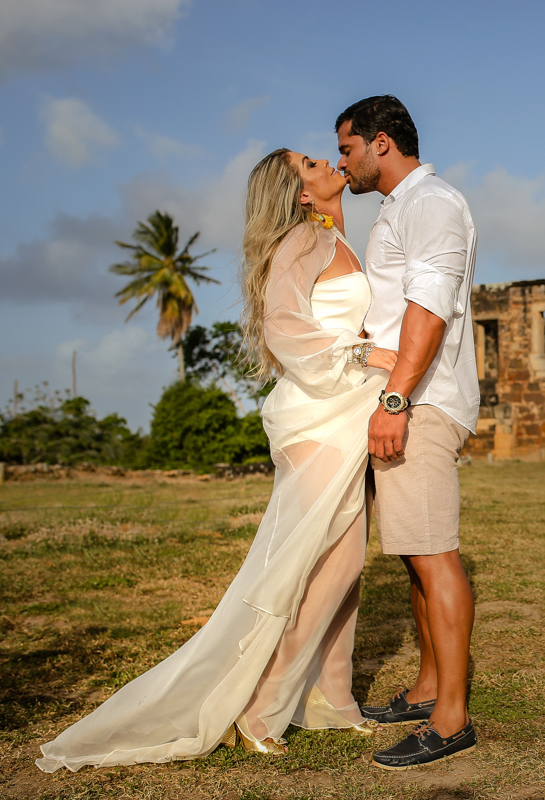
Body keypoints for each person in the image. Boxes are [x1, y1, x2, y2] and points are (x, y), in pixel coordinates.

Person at [36, 148, 395, 772]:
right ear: (301, 194)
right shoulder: (303, 241)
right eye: (312, 164)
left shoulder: (336, 238)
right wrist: (366, 358)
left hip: (342, 410)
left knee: (346, 564)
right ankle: (259, 707)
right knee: (323, 566)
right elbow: (285, 329)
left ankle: (333, 699)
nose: (328, 162)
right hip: (317, 415)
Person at [335, 95, 481, 771]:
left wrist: (395, 400)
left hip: (421, 401)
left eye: (347, 149)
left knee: (434, 553)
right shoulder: (399, 209)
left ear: (382, 143)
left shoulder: (431, 203)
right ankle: (427, 689)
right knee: (413, 554)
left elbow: (430, 305)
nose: (344, 163)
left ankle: (451, 719)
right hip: (406, 397)